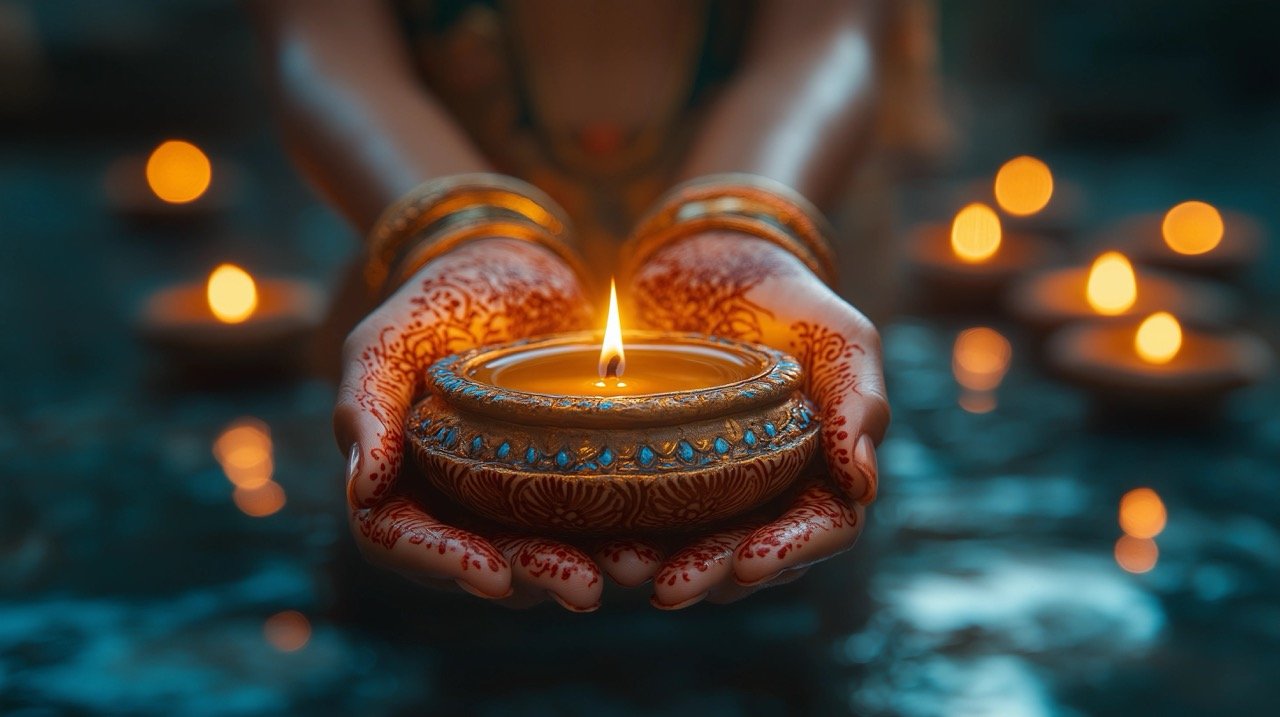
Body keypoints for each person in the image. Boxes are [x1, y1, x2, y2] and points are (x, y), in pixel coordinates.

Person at [250, 0, 890, 612]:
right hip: (420, 269)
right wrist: (461, 238)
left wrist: (743, 233)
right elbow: (326, 41)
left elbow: (824, 30)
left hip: (784, 259)